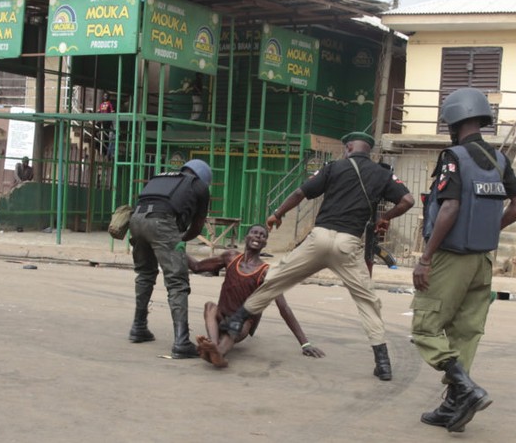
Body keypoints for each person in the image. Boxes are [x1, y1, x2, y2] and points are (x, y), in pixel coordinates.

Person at [224, 131, 414, 381]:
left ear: (348, 148)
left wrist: (277, 214)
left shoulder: (333, 167)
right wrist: (385, 219)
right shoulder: (382, 173)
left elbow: (300, 193)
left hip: (318, 238)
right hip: (348, 245)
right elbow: (407, 200)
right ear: (369, 151)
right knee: (367, 301)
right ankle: (383, 363)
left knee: (277, 278)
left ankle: (237, 320)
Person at [412, 87, 516, 433]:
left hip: (452, 259)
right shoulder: (500, 160)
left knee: (426, 328)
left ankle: (465, 388)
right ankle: (454, 407)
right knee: (465, 333)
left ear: (453, 120)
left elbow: (450, 206)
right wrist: (492, 229)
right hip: (483, 262)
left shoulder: (454, 157)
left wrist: (426, 258)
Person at [187, 224, 326, 368]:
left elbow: (284, 308)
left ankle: (218, 353)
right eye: (254, 232)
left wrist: (305, 343)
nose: (258, 236)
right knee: (210, 306)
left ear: (265, 243)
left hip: (241, 324)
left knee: (235, 327)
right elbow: (197, 267)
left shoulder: (266, 272)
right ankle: (213, 346)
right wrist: (175, 245)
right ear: (246, 237)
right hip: (221, 317)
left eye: (262, 235)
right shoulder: (230, 256)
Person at [128, 159, 212, 359]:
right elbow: (197, 227)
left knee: (145, 274)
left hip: (136, 221)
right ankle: (181, 342)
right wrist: (179, 241)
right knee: (177, 282)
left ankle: (138, 327)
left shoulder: (160, 177)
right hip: (162, 223)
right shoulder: (199, 185)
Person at [98, 92, 116, 160]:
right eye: (104, 96)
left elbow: (112, 112)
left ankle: (106, 152)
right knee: (101, 134)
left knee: (106, 136)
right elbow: (99, 111)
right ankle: (104, 151)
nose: (105, 97)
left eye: (106, 96)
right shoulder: (101, 104)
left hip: (107, 121)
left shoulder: (109, 104)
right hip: (102, 120)